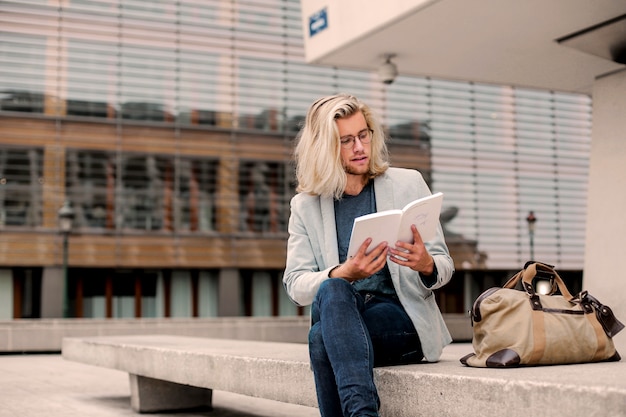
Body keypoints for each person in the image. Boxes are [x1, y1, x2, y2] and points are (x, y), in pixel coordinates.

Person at [283, 93, 454, 417]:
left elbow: (444, 266)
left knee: (321, 338)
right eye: (346, 141)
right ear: (324, 147)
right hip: (342, 316)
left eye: (363, 135)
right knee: (333, 290)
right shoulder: (305, 206)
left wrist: (425, 264)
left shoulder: (408, 183)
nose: (359, 147)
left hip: (402, 322)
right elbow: (295, 285)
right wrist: (344, 272)